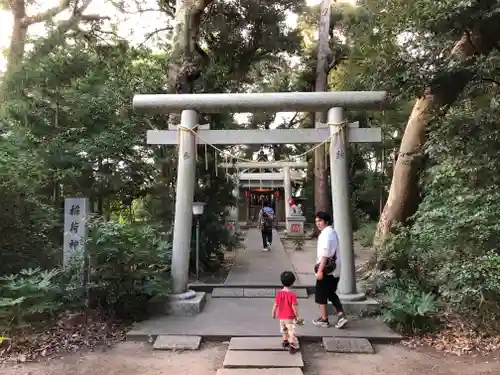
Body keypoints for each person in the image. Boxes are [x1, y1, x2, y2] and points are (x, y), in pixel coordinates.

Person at [312, 211, 348, 329]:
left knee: (321, 295)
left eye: (320, 221)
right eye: (316, 221)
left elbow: (325, 254)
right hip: (335, 270)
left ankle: (324, 320)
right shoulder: (331, 232)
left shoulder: (327, 234)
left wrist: (320, 271)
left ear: (326, 221)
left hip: (327, 271)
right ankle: (341, 315)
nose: (318, 223)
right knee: (331, 293)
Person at [272, 271, 302, 354]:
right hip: (289, 317)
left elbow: (275, 305)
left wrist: (273, 313)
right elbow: (294, 307)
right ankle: (291, 344)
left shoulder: (279, 294)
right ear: (292, 283)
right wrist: (297, 316)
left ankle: (285, 341)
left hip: (281, 317)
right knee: (291, 331)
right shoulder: (292, 295)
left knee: (284, 330)